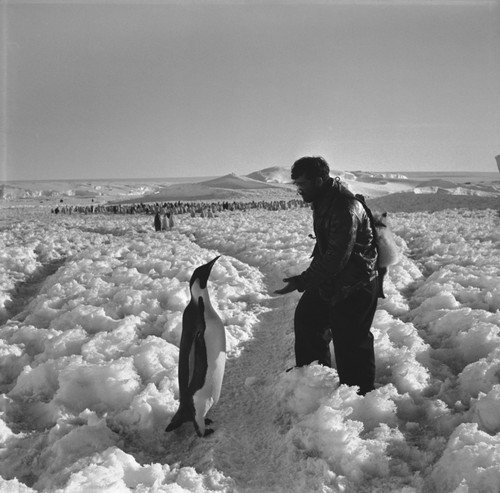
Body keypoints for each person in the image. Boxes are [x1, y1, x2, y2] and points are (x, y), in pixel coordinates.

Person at [275, 156, 379, 395]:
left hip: (356, 284)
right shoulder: (324, 200)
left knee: (350, 342)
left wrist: (301, 281)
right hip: (335, 280)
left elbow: (336, 258)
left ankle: (359, 399)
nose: (299, 190)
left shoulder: (344, 207)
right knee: (308, 319)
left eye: (302, 184)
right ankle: (315, 380)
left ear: (319, 180)